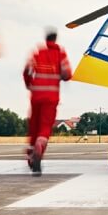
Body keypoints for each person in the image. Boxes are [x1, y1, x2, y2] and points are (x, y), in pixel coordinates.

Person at [23, 27, 71, 175]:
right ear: (55, 39)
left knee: (34, 127)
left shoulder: (38, 53)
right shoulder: (60, 54)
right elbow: (67, 74)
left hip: (36, 95)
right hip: (51, 97)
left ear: (46, 39)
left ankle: (31, 156)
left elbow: (26, 71)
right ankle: (39, 149)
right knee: (44, 128)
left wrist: (29, 85)